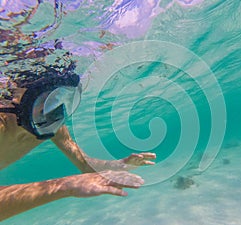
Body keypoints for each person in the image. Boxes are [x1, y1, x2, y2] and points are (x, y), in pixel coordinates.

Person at [0, 62, 156, 221]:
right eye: (47, 101)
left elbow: (84, 163)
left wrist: (119, 164)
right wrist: (66, 185)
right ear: (17, 98)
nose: (56, 111)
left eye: (61, 98)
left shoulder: (49, 124)